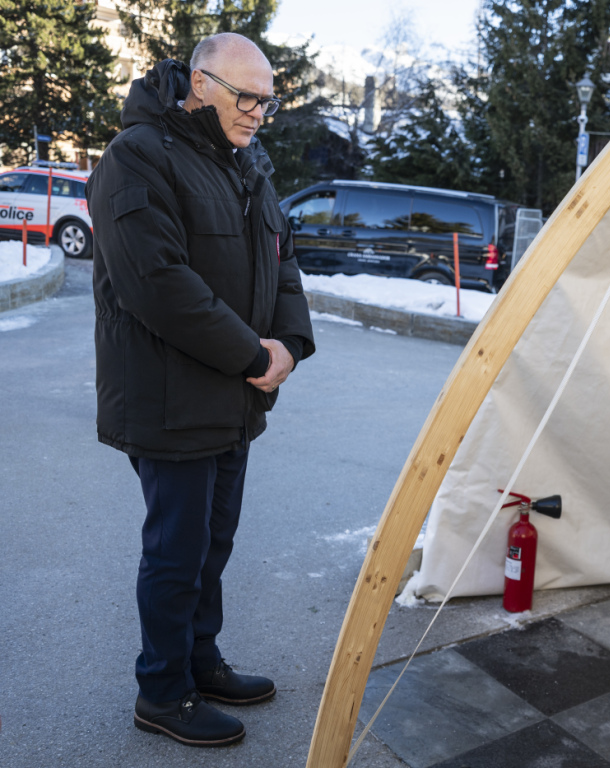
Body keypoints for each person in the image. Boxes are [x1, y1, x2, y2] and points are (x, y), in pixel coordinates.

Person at [86, 33, 315, 747]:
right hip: (169, 398)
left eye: (267, 102)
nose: (257, 113)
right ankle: (162, 691)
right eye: (246, 97)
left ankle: (200, 661)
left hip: (233, 398)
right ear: (200, 82)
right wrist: (252, 353)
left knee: (213, 544)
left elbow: (282, 258)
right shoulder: (137, 157)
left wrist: (290, 343)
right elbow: (157, 284)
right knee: (176, 553)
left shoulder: (247, 163)